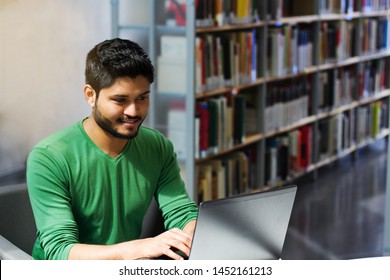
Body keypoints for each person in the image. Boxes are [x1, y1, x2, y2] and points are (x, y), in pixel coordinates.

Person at [26, 38, 198, 260]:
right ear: (90, 95)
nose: (134, 111)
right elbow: (60, 252)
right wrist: (138, 248)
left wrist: (193, 234)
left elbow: (181, 212)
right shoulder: (48, 157)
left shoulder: (158, 146)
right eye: (120, 100)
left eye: (142, 98)